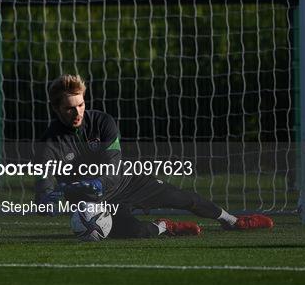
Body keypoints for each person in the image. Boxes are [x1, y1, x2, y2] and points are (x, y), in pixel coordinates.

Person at [35, 74, 273, 238]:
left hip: (127, 182)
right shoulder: (49, 142)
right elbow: (43, 183)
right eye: (69, 108)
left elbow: (114, 166)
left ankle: (233, 221)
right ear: (56, 109)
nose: (77, 112)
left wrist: (97, 182)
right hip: (96, 204)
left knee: (182, 198)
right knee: (136, 233)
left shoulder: (103, 122)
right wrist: (47, 198)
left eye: (81, 104)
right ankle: (165, 227)